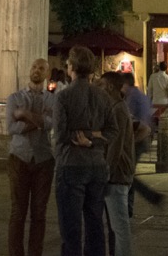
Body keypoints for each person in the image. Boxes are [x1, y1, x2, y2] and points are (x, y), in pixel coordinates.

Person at [51, 46, 116, 256]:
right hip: (97, 165)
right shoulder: (103, 96)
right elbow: (113, 131)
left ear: (71, 67)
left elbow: (60, 134)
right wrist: (93, 139)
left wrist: (81, 137)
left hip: (71, 164)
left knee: (71, 229)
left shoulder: (63, 97)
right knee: (95, 224)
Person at [6, 58, 55, 256]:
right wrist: (40, 121)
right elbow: (11, 128)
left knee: (39, 213)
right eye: (34, 67)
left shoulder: (52, 99)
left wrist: (25, 114)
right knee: (18, 211)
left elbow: (54, 123)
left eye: (41, 68)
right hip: (20, 156)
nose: (36, 70)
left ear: (47, 74)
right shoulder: (14, 97)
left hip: (43, 158)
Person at [99, 72, 137, 256]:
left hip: (117, 176)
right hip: (119, 174)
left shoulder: (117, 110)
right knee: (117, 226)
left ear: (110, 87)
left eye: (102, 85)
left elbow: (115, 146)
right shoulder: (117, 108)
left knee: (120, 227)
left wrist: (106, 173)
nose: (99, 89)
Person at [121, 72, 164, 215]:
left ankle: (149, 198)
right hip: (143, 138)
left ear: (125, 84)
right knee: (129, 173)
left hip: (137, 139)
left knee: (128, 173)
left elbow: (129, 118)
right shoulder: (141, 95)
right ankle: (130, 207)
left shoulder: (131, 97)